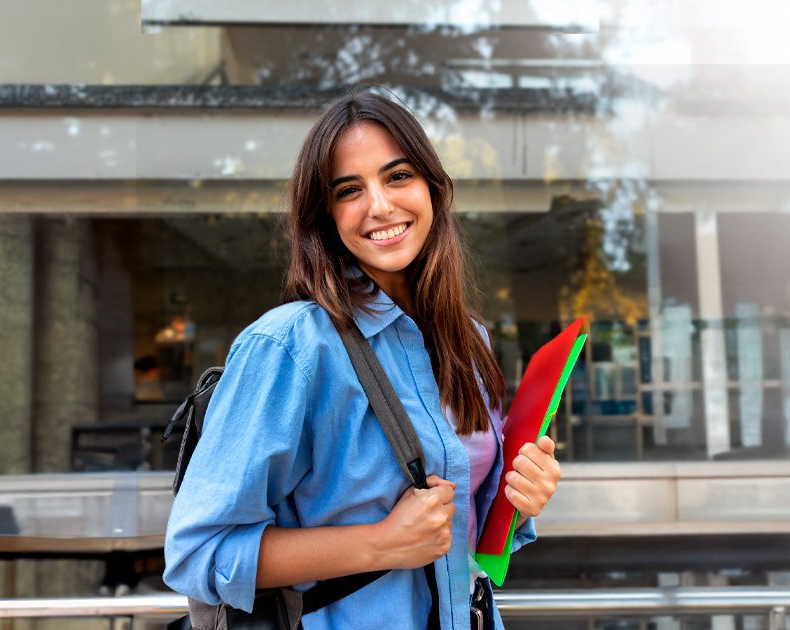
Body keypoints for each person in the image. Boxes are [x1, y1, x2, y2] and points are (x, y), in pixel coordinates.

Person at [163, 90, 562, 630]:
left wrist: (520, 503)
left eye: (398, 176)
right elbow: (197, 553)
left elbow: (463, 536)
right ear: (325, 216)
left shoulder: (467, 341)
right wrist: (380, 544)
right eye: (349, 189)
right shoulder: (289, 346)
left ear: (432, 188)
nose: (379, 205)